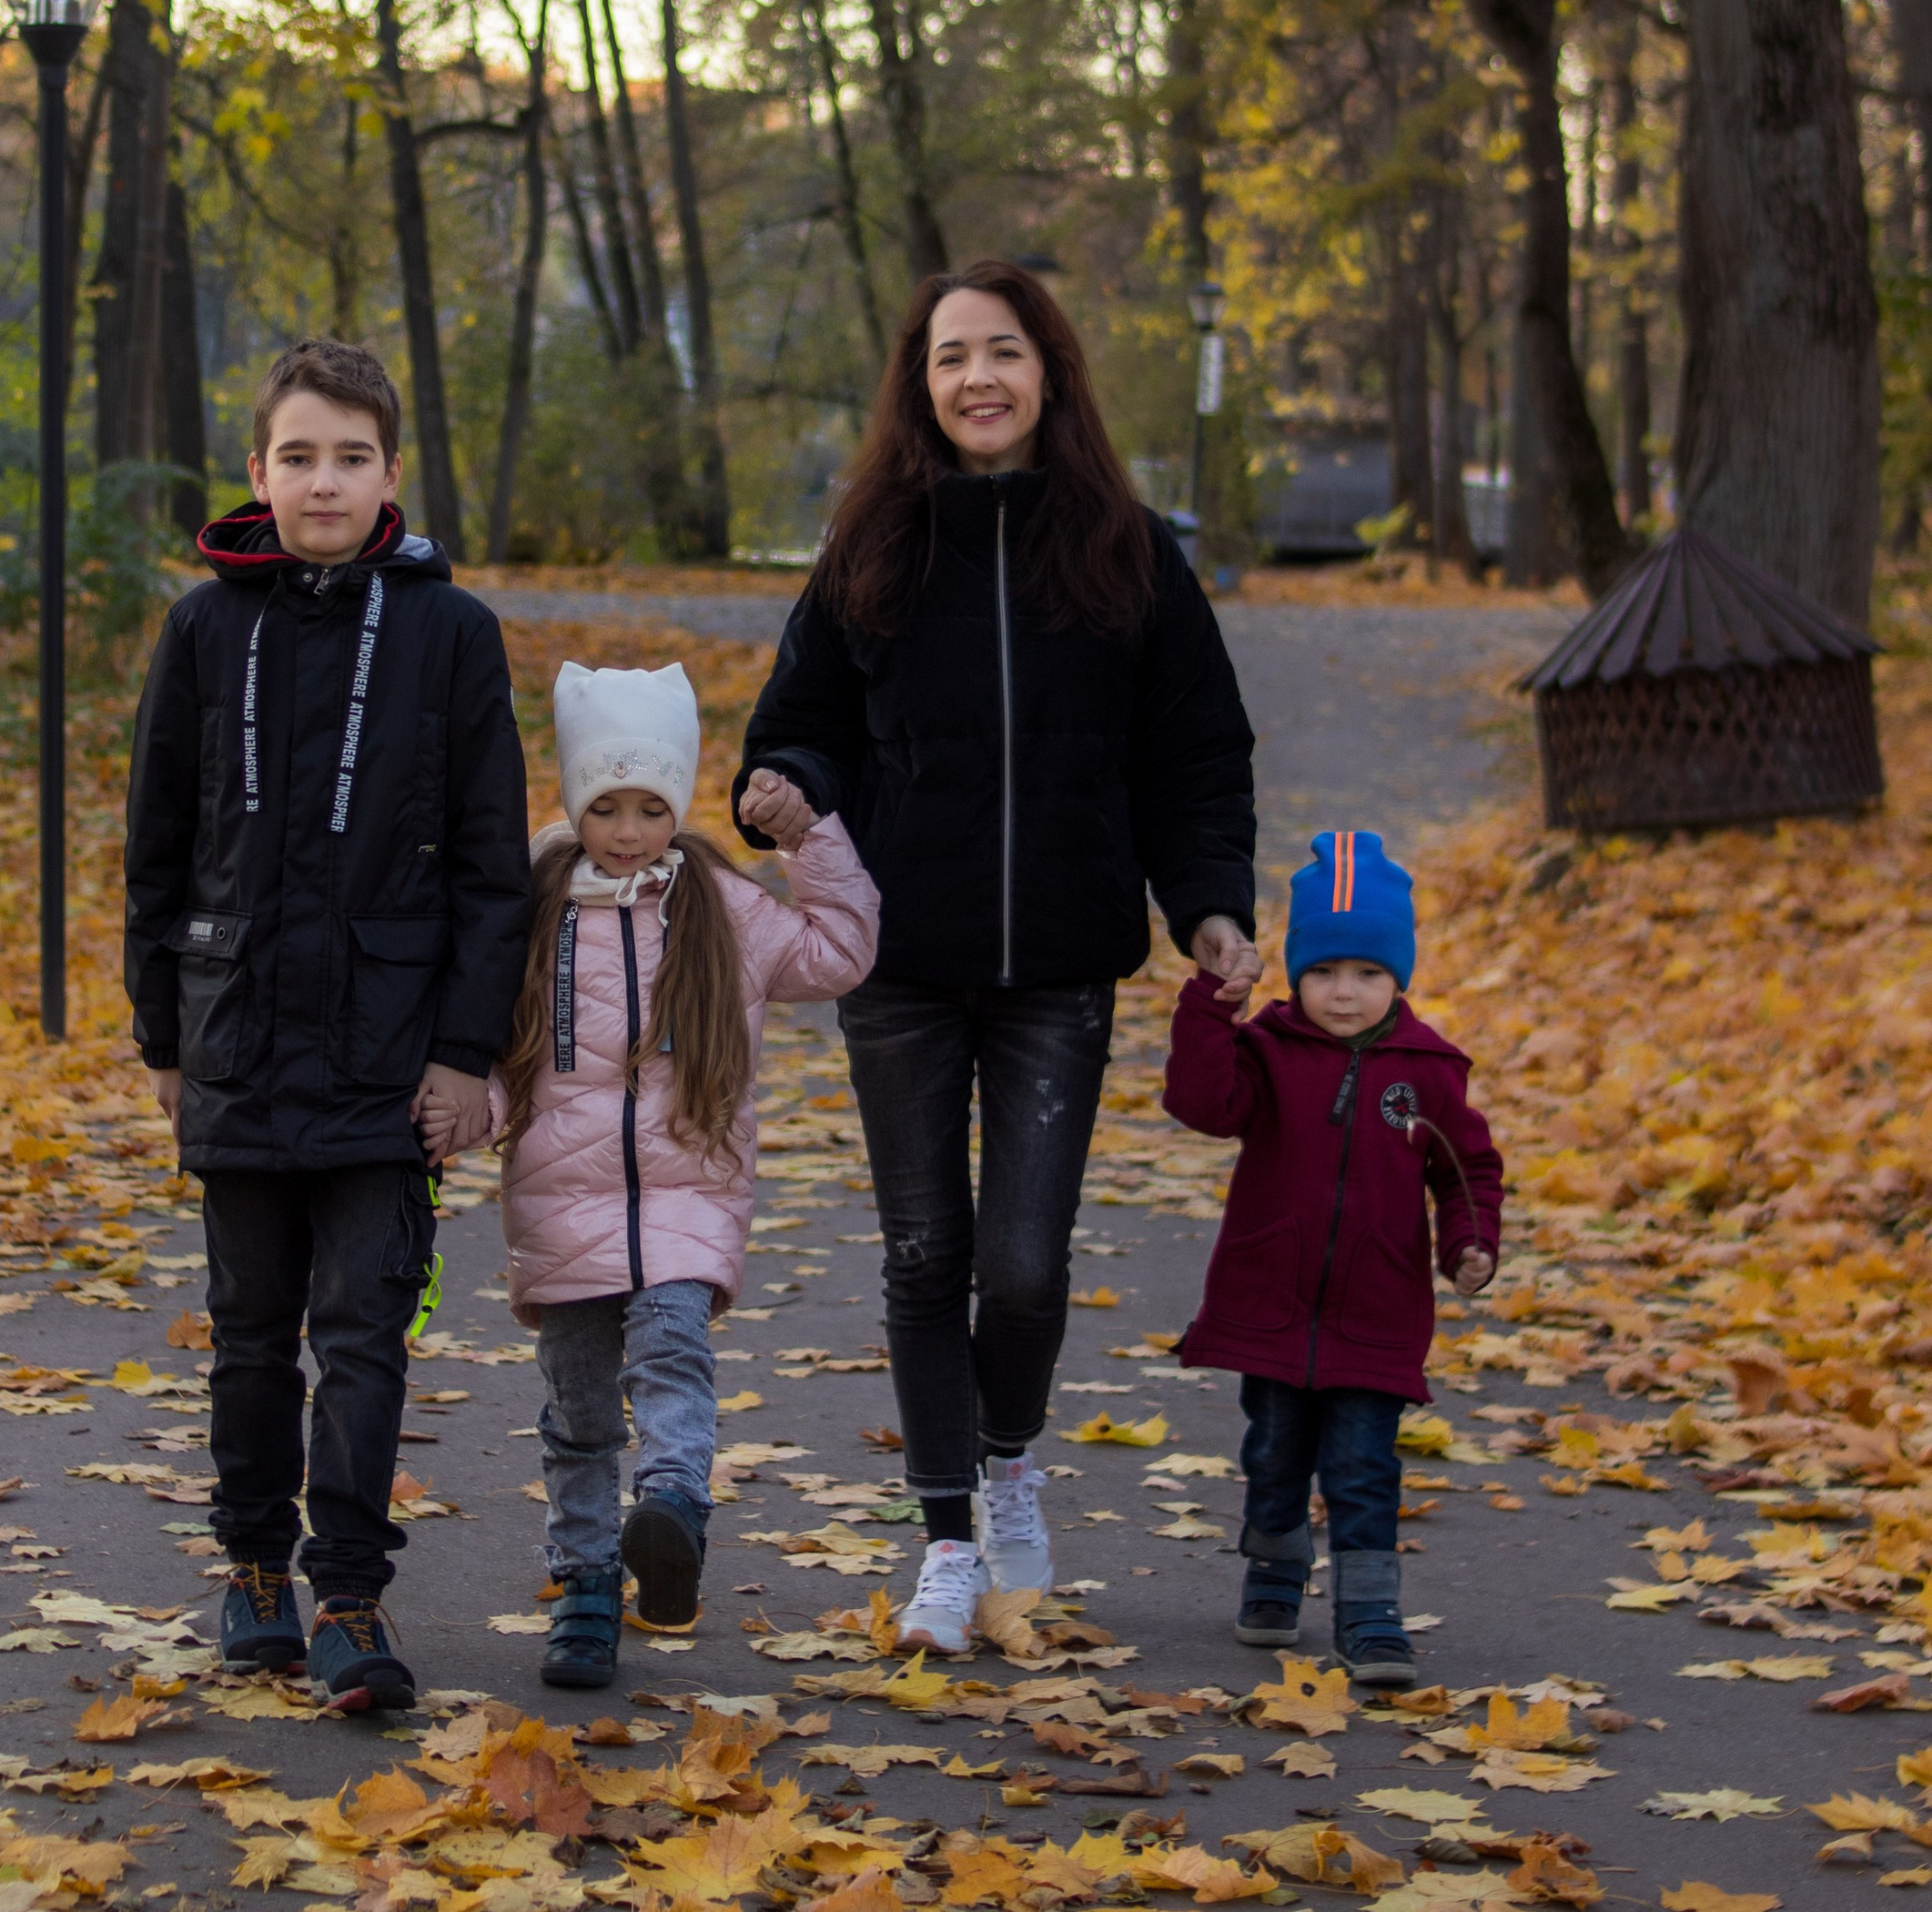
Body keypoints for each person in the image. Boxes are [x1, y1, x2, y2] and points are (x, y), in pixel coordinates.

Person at [734, 257, 1259, 1655]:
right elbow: (804, 720)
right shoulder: (871, 548)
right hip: (900, 962)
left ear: (1051, 374)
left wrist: (1207, 903)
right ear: (920, 382)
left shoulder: (1131, 553)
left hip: (1060, 967)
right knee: (925, 1255)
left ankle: (1012, 1456)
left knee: (1023, 1266)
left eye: (1006, 352)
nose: (979, 378)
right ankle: (950, 1540)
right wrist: (782, 786)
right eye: (953, 355)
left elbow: (1194, 754)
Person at [124, 334, 529, 1715]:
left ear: (391, 474)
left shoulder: (449, 633)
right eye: (298, 455)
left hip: (384, 1062)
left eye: (351, 457)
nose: (324, 480)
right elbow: (156, 849)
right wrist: (162, 1040)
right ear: (257, 471)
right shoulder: (202, 628)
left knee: (366, 1334)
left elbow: (491, 868)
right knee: (250, 1333)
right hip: (235, 1041)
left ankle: (350, 1592)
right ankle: (252, 1574)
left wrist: (467, 1052)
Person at [469, 659, 879, 1692]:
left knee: (672, 1354)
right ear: (573, 800)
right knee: (578, 1414)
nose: (628, 828)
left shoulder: (720, 907)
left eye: (651, 805)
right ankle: (587, 1579)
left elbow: (839, 950)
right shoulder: (534, 904)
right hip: (559, 1204)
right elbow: (484, 1034)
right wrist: (465, 1106)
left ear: (679, 801)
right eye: (604, 805)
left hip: (688, 1193)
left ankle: (672, 1509)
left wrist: (805, 838)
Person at [1168, 825, 1502, 1690]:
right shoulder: (1268, 1051)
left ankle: (1370, 1613)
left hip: (1378, 1308)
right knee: (1275, 1450)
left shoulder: (1429, 1069)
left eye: (1367, 974)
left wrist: (1471, 1241)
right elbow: (1202, 1103)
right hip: (1273, 1295)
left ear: (1399, 977)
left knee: (1362, 1465)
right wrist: (1212, 1007)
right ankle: (1275, 1572)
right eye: (1322, 972)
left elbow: (1466, 1170)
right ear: (1295, 974)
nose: (1343, 993)